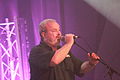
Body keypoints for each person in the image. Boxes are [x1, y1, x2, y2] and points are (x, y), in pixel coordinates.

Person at [29, 19, 100, 80]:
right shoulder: (36, 51)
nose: (59, 33)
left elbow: (80, 68)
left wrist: (91, 63)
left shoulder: (63, 50)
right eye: (54, 31)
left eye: (59, 30)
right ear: (44, 34)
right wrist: (69, 43)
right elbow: (54, 61)